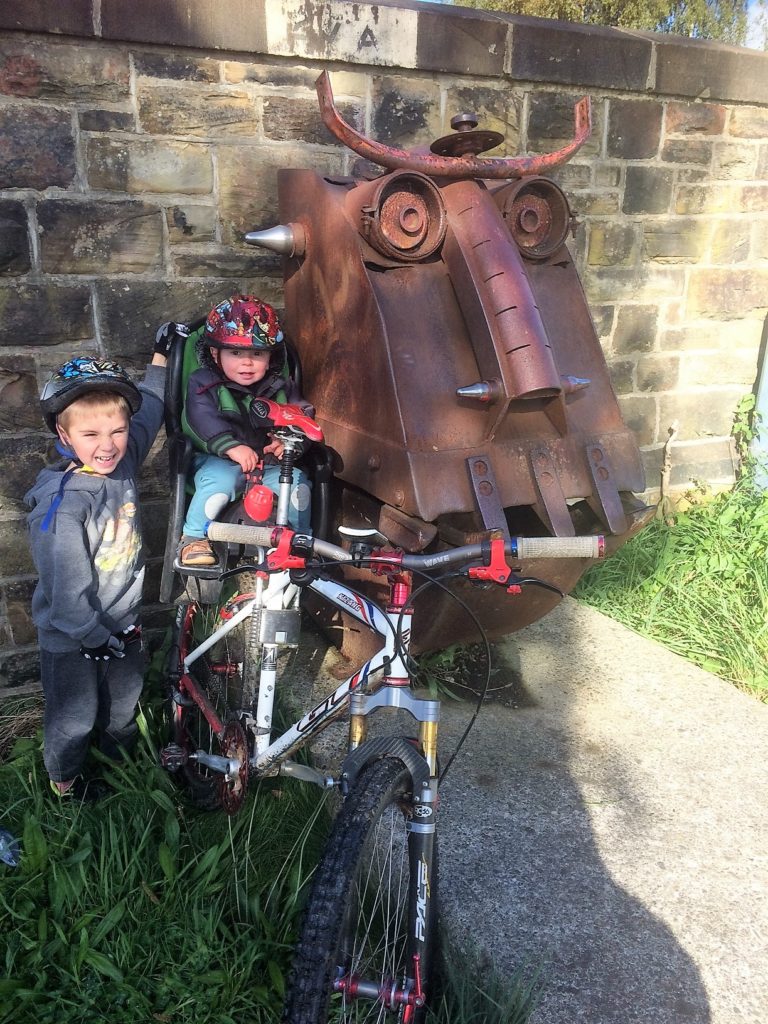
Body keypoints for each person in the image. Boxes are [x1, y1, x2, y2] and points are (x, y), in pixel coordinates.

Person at [25, 334, 177, 800]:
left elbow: (150, 404)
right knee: (75, 716)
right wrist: (95, 637)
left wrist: (161, 355)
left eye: (117, 430)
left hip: (122, 625)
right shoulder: (61, 505)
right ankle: (65, 784)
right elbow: (67, 594)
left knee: (122, 707)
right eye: (91, 435)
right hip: (74, 637)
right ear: (64, 436)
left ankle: (117, 770)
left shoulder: (125, 458)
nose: (108, 446)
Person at [179, 294, 312, 567]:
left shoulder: (279, 385)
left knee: (299, 486)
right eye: (236, 353)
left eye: (257, 354)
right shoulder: (203, 383)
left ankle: (299, 542)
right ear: (216, 354)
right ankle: (193, 538)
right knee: (218, 483)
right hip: (218, 458)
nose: (247, 363)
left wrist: (289, 442)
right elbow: (199, 417)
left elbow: (301, 414)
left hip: (269, 463)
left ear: (270, 357)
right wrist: (230, 446)